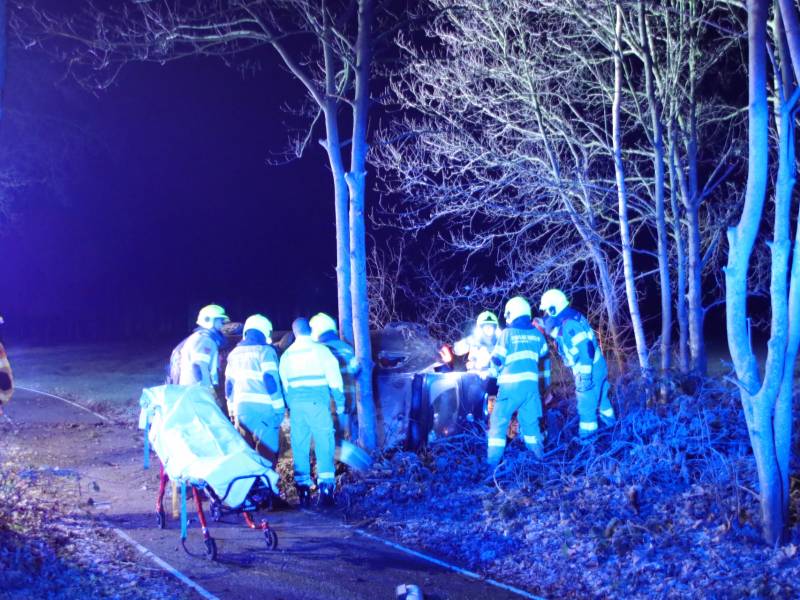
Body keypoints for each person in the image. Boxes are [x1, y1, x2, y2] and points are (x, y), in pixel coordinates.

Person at [279, 317, 345, 508]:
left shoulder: (287, 356)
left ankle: (303, 490)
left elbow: (286, 387)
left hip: (297, 407)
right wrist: (340, 404)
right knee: (324, 442)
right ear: (310, 329)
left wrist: (292, 405)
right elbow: (335, 380)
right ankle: (325, 490)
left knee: (299, 445)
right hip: (318, 404)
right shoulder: (321, 351)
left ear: (294, 332)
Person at [539, 289, 616, 441]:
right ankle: (612, 430)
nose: (545, 315)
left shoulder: (569, 325)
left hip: (588, 371)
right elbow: (565, 337)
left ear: (554, 309)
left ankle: (588, 443)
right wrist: (545, 328)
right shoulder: (570, 319)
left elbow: (586, 351)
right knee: (602, 401)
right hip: (598, 368)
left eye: (547, 311)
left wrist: (585, 377)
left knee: (586, 409)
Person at [486, 296, 550, 465]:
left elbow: (497, 361)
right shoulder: (538, 335)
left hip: (510, 388)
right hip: (531, 390)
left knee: (498, 423)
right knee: (531, 426)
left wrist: (489, 373)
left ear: (512, 313)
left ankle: (492, 464)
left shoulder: (507, 334)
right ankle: (539, 461)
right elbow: (544, 361)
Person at [224, 314, 285, 466]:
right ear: (265, 331)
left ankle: (250, 487)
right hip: (264, 413)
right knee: (266, 456)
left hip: (241, 412)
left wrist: (232, 412)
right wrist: (279, 409)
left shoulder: (233, 354)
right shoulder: (265, 352)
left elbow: (228, 387)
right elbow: (271, 381)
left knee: (247, 457)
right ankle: (266, 487)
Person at [309, 312, 360, 440]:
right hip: (350, 401)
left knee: (331, 441)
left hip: (328, 403)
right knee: (350, 439)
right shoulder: (348, 349)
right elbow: (357, 370)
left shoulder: (318, 350)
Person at [168, 304, 229, 387]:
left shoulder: (203, 338)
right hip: (196, 392)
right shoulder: (204, 340)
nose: (223, 323)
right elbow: (198, 367)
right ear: (209, 320)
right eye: (220, 320)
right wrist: (206, 390)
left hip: (195, 391)